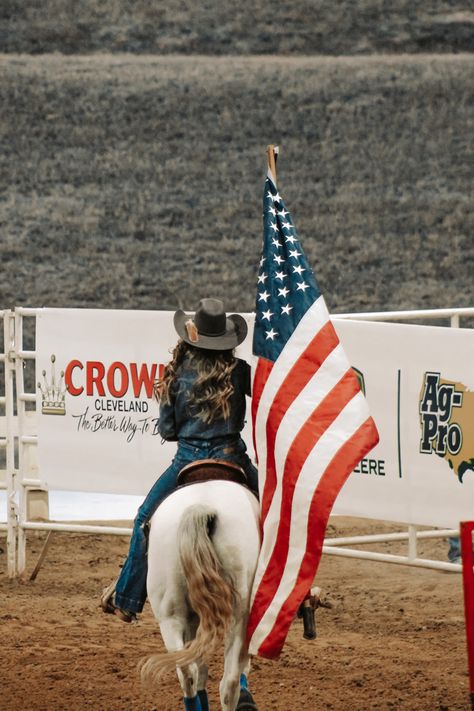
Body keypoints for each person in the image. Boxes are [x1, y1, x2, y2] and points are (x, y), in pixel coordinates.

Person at [101, 298, 259, 623]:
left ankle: (127, 598)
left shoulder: (175, 376)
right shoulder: (240, 372)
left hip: (186, 462)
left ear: (193, 336)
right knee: (275, 516)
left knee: (144, 519)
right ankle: (290, 595)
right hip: (233, 459)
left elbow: (168, 430)